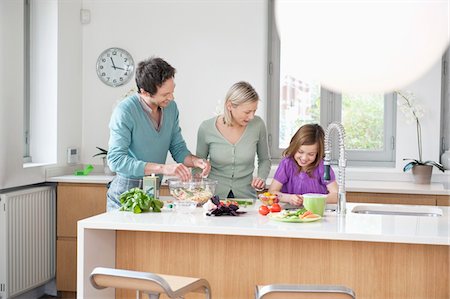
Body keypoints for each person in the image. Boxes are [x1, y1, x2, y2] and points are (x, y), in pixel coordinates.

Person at [106, 57, 210, 211]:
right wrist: (163, 168)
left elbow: (178, 148)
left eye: (172, 91)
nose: (171, 97)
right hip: (126, 192)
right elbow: (115, 160)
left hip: (152, 190)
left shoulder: (171, 108)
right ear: (144, 92)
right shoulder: (125, 111)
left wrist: (196, 161)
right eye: (165, 94)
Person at [196, 81, 271, 199]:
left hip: (246, 198)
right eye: (247, 112)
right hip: (214, 198)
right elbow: (197, 164)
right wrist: (196, 190)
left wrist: (261, 178)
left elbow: (264, 159)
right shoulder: (206, 128)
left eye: (254, 111)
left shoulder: (258, 125)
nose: (251, 117)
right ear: (230, 105)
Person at [268, 124, 338, 205]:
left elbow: (336, 196)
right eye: (300, 152)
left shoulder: (324, 166)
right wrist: (289, 198)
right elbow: (272, 192)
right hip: (289, 213)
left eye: (311, 154)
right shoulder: (286, 164)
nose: (304, 158)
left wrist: (311, 199)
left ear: (318, 153)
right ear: (294, 147)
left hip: (316, 212)